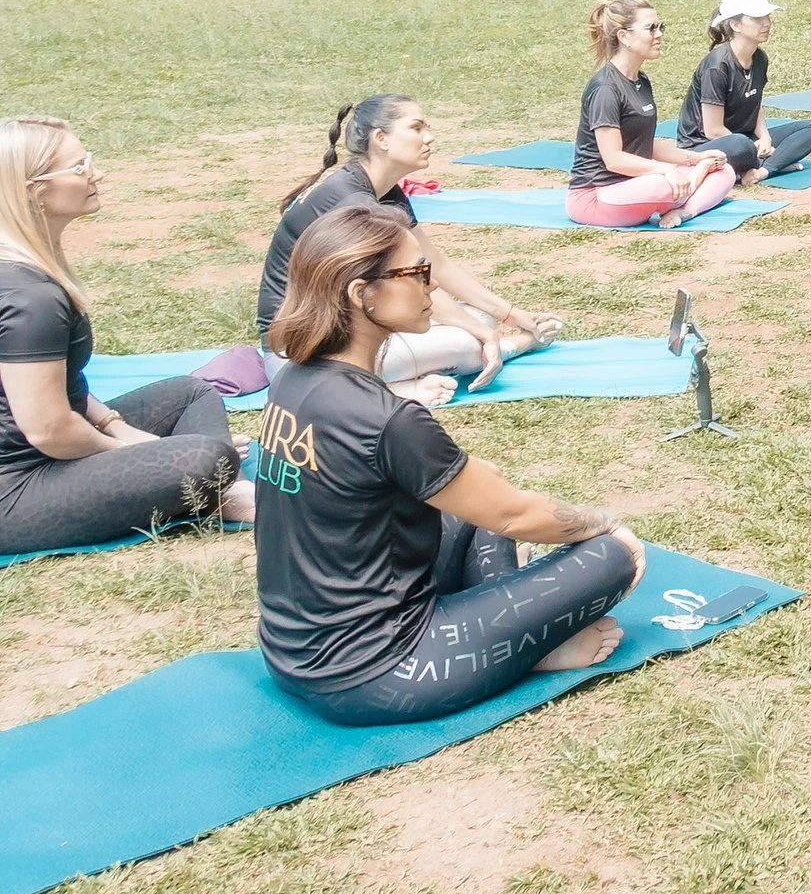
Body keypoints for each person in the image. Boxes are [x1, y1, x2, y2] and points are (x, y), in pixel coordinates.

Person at [256, 202, 646, 725]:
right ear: (361, 294)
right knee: (611, 556)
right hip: (378, 672)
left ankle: (513, 647)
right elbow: (515, 517)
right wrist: (608, 526)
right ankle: (521, 651)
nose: (430, 287)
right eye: (416, 275)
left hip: (293, 655)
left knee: (469, 504)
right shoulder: (387, 419)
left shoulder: (293, 380)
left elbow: (483, 502)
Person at [0, 117, 250, 554]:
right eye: (79, 167)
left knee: (192, 392)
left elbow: (56, 387)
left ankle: (218, 491)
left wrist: (113, 423)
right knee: (208, 458)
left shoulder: (24, 268)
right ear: (34, 191)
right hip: (19, 487)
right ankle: (219, 492)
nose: (96, 174)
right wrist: (126, 446)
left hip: (48, 450)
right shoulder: (30, 298)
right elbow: (48, 430)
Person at [260, 95, 563, 399]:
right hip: (301, 355)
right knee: (467, 343)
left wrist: (511, 314)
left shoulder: (382, 190)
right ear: (381, 139)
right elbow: (413, 280)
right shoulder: (354, 204)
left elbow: (434, 262)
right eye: (416, 128)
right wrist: (488, 336)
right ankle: (507, 348)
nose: (429, 137)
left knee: (479, 317)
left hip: (348, 323)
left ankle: (404, 381)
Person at [569, 0, 735, 229]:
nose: (658, 34)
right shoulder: (605, 88)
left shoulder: (641, 81)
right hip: (596, 197)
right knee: (662, 184)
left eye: (660, 27)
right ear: (624, 37)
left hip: (634, 185)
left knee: (725, 171)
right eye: (651, 28)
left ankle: (685, 210)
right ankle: (692, 187)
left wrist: (696, 158)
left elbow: (644, 145)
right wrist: (669, 170)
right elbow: (614, 158)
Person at [677, 0, 811, 185]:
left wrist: (765, 138)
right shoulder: (717, 66)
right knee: (741, 145)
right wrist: (751, 146)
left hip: (744, 139)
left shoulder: (759, 58)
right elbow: (713, 131)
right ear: (736, 25)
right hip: (707, 145)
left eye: (767, 16)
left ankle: (762, 171)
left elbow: (756, 104)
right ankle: (771, 162)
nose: (766, 23)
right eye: (757, 18)